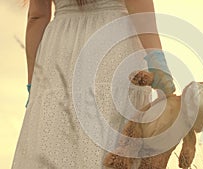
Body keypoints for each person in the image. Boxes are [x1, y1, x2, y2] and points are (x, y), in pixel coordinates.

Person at [12, 0, 176, 168]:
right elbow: (138, 5)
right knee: (113, 134)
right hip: (113, 41)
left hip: (60, 46)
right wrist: (157, 59)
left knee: (55, 135)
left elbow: (37, 17)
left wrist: (33, 82)